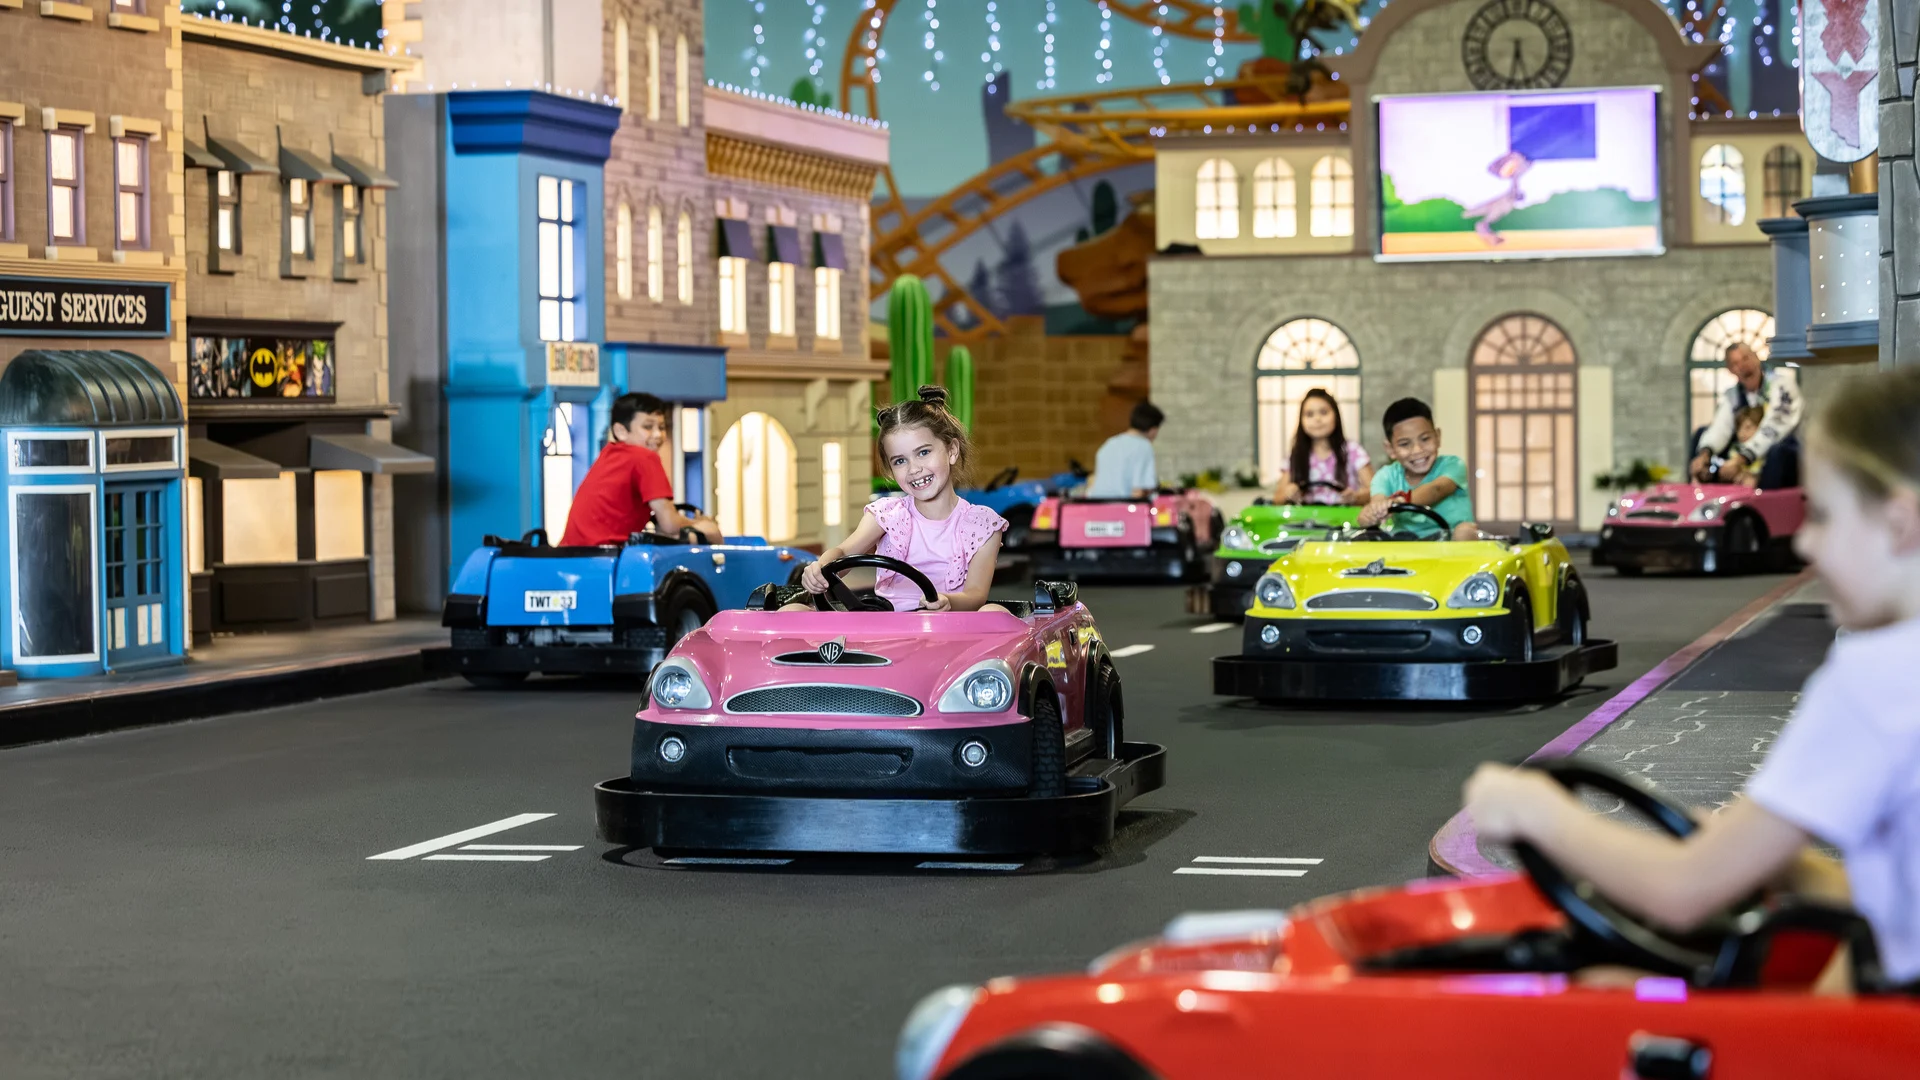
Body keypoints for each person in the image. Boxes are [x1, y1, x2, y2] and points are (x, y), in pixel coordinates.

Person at [1465, 367, 1920, 991]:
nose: (1807, 544)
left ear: (1898, 522)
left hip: (1893, 1030)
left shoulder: (1879, 677)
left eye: (1824, 516)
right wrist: (1785, 861)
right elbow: (1893, 899)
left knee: (1599, 990)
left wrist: (1530, 809)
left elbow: (1682, 892)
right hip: (1889, 997)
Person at [795, 386, 1009, 613]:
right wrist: (820, 567)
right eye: (900, 461)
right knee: (793, 611)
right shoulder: (888, 515)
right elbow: (844, 553)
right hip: (888, 626)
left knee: (994, 612)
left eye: (924, 452)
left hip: (948, 628)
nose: (914, 469)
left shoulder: (981, 525)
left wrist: (947, 601)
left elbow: (975, 594)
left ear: (952, 451)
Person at [559, 392, 720, 547]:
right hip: (605, 557)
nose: (658, 435)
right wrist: (699, 523)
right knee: (709, 531)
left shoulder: (610, 454)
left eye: (662, 427)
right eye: (648, 427)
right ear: (621, 431)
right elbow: (670, 524)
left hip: (571, 555)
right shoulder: (644, 457)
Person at [1357, 397, 1479, 540]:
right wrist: (1371, 513)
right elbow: (1378, 499)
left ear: (1438, 437)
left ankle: (1461, 562)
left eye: (1425, 439)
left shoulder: (1453, 465)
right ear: (1390, 449)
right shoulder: (1385, 475)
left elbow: (1436, 489)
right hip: (1407, 544)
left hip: (1449, 542)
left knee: (1465, 530)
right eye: (1404, 444)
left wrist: (1401, 501)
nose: (1417, 450)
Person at [1691, 342, 1802, 488]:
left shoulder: (1782, 385)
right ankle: (1699, 487)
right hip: (1742, 454)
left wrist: (1741, 459)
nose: (1743, 366)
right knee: (1702, 435)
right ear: (1730, 370)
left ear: (1756, 358)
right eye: (1735, 363)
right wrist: (1705, 454)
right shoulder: (1733, 395)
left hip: (1774, 452)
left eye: (1746, 358)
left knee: (1779, 452)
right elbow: (1720, 428)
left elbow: (1775, 426)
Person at [1273, 387, 1373, 505]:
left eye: (1324, 412)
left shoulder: (1353, 450)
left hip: (1345, 520)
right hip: (1305, 521)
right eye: (1309, 414)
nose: (1317, 419)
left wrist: (1356, 497)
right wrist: (1288, 493)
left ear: (1336, 416)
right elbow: (1277, 499)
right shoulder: (1295, 455)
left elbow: (1376, 492)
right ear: (1301, 421)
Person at [1086, 401, 1164, 499]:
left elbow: (1094, 481)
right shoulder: (1144, 447)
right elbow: (1140, 490)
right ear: (1153, 430)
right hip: (1123, 508)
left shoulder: (1109, 444)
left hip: (1097, 506)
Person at [1731, 405, 1767, 482]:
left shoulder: (1766, 452)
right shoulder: (1736, 449)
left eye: (1748, 427)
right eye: (1738, 428)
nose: (1741, 433)